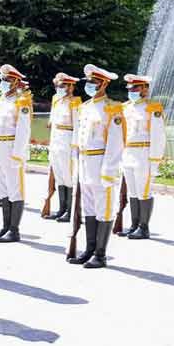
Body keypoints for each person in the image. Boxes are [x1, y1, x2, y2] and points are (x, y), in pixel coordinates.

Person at [67, 65, 124, 268]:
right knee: (89, 208)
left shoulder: (112, 108)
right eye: (89, 82)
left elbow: (116, 143)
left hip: (101, 163)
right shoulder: (84, 107)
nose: (90, 86)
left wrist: (109, 171)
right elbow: (77, 139)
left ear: (104, 84)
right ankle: (89, 249)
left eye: (94, 83)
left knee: (103, 208)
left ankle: (100, 254)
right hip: (84, 162)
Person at [0, 64, 32, 243]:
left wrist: (17, 155)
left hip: (11, 148)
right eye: (2, 79)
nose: (3, 82)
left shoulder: (22, 102)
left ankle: (14, 229)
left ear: (15, 82)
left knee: (15, 190)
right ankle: (5, 227)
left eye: (7, 80)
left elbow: (24, 130)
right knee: (3, 190)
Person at [118, 74, 165, 240]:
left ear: (145, 88)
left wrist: (154, 160)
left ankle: (144, 228)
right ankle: (134, 225)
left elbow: (158, 136)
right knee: (132, 191)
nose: (131, 91)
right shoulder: (125, 107)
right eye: (130, 88)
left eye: (135, 88)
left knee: (144, 191)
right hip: (127, 153)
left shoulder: (153, 107)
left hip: (144, 154)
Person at [44, 73, 82, 223]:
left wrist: (74, 147)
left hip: (68, 140)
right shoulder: (56, 100)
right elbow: (52, 123)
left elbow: (77, 127)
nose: (58, 88)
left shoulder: (75, 102)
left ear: (71, 87)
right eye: (57, 86)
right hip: (56, 139)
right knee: (59, 175)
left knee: (68, 176)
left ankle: (70, 210)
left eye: (62, 86)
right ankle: (61, 209)